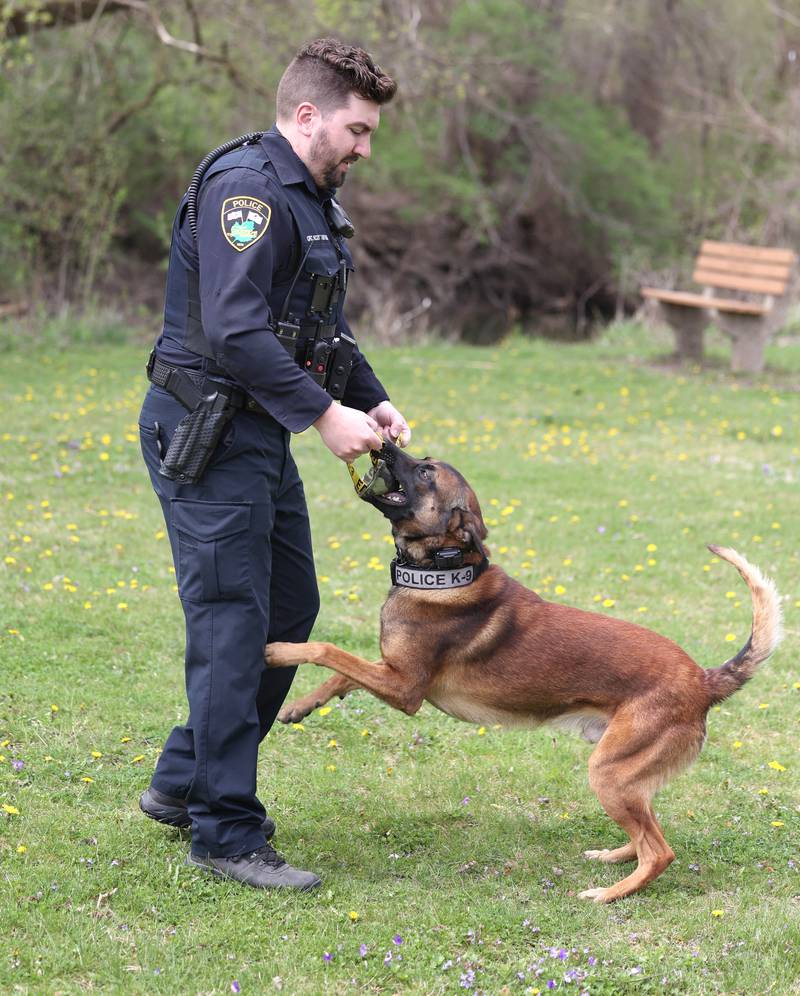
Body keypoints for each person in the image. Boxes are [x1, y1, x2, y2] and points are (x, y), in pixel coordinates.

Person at [137, 38, 409, 891]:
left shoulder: (310, 195)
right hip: (208, 435)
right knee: (233, 627)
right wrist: (324, 417)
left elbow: (316, 322)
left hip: (254, 433)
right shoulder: (249, 191)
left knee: (287, 611)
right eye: (357, 130)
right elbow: (235, 329)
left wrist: (367, 396)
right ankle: (224, 833)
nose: (365, 148)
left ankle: (183, 781)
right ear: (305, 116)